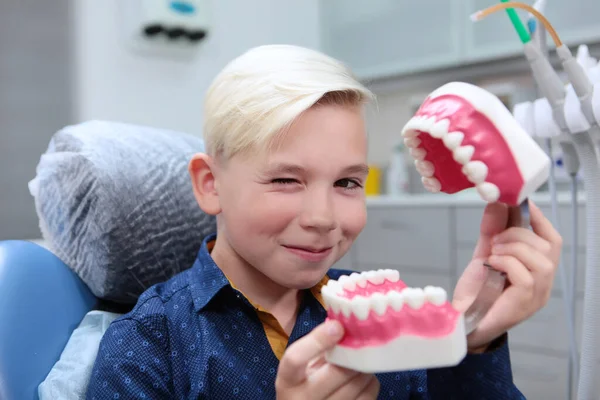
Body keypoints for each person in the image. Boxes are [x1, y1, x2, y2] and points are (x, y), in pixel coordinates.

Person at [86, 44, 562, 399]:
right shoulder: (149, 348)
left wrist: (474, 337)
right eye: (286, 180)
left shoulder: (382, 313)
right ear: (211, 184)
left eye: (348, 183)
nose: (323, 219)